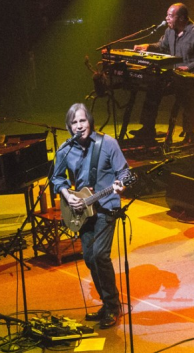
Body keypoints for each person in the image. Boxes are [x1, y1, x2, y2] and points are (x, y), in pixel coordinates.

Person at [52, 103, 130, 329]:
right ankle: (107, 304)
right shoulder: (65, 149)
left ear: (90, 121)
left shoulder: (108, 143)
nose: (79, 126)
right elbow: (57, 178)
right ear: (69, 126)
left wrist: (121, 185)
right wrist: (68, 195)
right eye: (74, 122)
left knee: (99, 255)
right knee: (88, 258)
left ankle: (114, 306)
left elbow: (125, 172)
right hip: (82, 210)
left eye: (82, 120)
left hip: (106, 207)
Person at [132, 3, 194, 144]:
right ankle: (147, 129)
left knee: (187, 94)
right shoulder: (170, 32)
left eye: (170, 15)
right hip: (177, 76)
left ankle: (189, 133)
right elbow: (162, 46)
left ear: (182, 18)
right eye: (167, 15)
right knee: (154, 88)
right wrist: (147, 46)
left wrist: (188, 67)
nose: (166, 18)